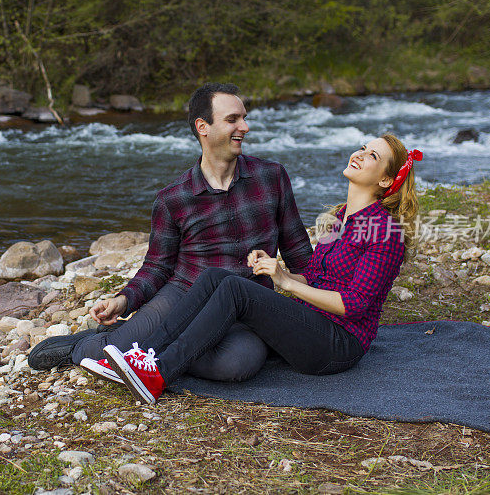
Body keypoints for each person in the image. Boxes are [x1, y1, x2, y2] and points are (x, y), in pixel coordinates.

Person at [87, 133, 421, 404]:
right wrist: (276, 269)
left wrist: (285, 284)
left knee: (234, 288)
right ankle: (141, 356)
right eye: (363, 147)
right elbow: (318, 279)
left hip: (337, 344)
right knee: (216, 276)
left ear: (386, 180)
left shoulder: (385, 230)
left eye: (373, 156)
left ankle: (159, 374)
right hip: (311, 323)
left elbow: (354, 304)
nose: (360, 154)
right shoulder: (339, 217)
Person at [28, 83, 313, 382]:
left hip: (247, 304)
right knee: (103, 356)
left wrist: (318, 306)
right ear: (203, 127)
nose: (245, 126)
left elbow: (299, 253)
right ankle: (94, 341)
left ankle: (156, 348)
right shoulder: (173, 198)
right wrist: (124, 301)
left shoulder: (271, 177)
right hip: (182, 297)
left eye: (243, 117)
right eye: (233, 119)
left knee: (234, 367)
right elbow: (157, 266)